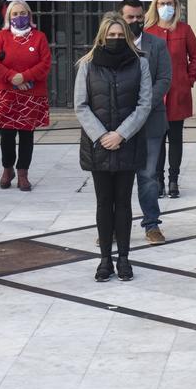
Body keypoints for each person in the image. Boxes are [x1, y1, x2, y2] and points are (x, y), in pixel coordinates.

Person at [74, 14, 152, 282]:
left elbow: (144, 104)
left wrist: (121, 134)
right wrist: (102, 135)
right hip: (98, 145)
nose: (116, 40)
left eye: (121, 35)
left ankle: (124, 258)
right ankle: (105, 259)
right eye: (111, 35)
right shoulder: (87, 64)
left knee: (124, 203)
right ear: (102, 36)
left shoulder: (140, 63)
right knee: (104, 202)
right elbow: (81, 105)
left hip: (127, 143)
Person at [120, 0, 172, 243]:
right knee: (118, 177)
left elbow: (164, 80)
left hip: (150, 121)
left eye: (139, 17)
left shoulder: (157, 45)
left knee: (148, 176)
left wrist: (142, 107)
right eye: (130, 18)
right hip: (118, 124)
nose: (135, 22)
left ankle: (151, 224)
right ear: (121, 18)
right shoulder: (111, 43)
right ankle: (113, 226)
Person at [0, 0, 52, 192]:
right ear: (8, 17)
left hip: (31, 94)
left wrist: (24, 77)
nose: (19, 17)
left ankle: (23, 172)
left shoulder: (39, 37)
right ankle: (8, 169)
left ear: (29, 15)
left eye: (22, 13)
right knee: (6, 135)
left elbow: (45, 63)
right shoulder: (1, 37)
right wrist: (12, 78)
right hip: (6, 94)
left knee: (26, 135)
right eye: (14, 14)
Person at [143, 0, 196, 198]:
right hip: (155, 95)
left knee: (175, 138)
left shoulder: (184, 30)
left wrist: (189, 79)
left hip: (178, 93)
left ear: (176, 6)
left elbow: (195, 56)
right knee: (157, 137)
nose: (166, 7)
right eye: (162, 3)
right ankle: (158, 179)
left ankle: (173, 179)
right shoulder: (148, 31)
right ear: (155, 6)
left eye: (170, 3)